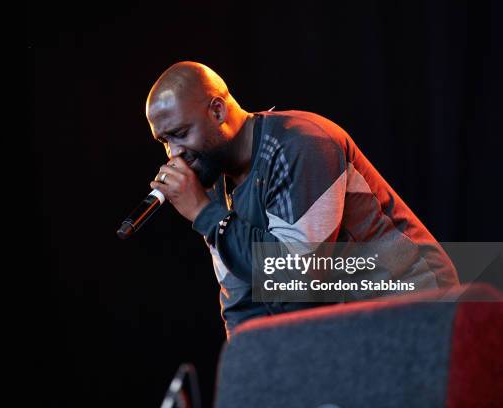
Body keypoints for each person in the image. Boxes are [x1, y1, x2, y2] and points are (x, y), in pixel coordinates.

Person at [146, 61, 459, 338]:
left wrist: (204, 214)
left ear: (217, 111)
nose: (175, 154)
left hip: (414, 304)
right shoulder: (214, 184)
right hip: (347, 325)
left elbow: (298, 284)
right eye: (165, 141)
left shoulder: (300, 144)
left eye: (182, 133)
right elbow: (242, 303)